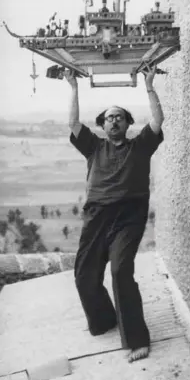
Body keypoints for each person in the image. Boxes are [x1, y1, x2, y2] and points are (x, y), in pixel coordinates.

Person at [65, 66, 164, 363]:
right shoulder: (94, 147)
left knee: (121, 271)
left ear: (127, 123)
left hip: (129, 216)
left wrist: (148, 85)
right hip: (96, 216)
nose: (114, 121)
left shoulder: (140, 146)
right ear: (103, 125)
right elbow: (72, 122)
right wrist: (73, 87)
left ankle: (137, 339)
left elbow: (158, 120)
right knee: (84, 274)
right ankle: (105, 319)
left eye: (119, 117)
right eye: (109, 118)